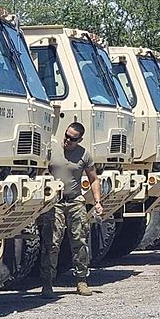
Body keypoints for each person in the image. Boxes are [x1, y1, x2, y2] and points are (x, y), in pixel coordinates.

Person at [39, 122, 103, 298]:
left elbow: (94, 179)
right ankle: (47, 283)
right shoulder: (51, 150)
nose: (67, 140)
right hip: (54, 202)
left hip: (75, 201)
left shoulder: (84, 155)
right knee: (51, 242)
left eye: (72, 138)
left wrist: (97, 201)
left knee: (80, 241)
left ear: (79, 139)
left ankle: (81, 281)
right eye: (66, 135)